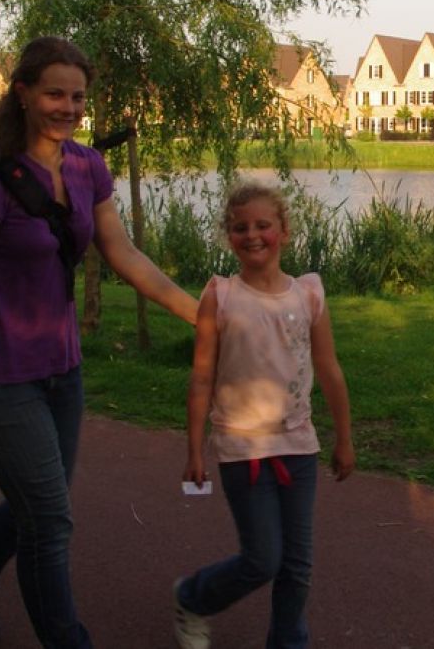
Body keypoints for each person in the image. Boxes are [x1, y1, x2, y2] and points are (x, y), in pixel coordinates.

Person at [0, 35, 199, 649]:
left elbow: (123, 254)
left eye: (78, 97)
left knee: (40, 502)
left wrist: (200, 315)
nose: (68, 108)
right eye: (55, 94)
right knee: (49, 521)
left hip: (61, 369)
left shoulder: (88, 168)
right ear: (23, 94)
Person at [174, 181, 355, 649]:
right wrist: (194, 450)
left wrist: (344, 437)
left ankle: (288, 641)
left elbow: (329, 368)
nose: (252, 235)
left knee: (297, 564)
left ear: (284, 231)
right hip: (241, 448)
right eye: (240, 228)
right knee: (262, 560)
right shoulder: (220, 296)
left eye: (263, 225)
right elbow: (201, 378)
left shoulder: (308, 294)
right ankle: (194, 597)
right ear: (229, 236)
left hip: (298, 445)